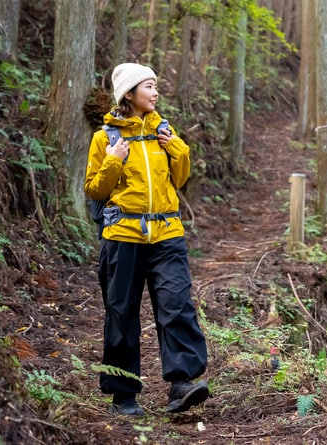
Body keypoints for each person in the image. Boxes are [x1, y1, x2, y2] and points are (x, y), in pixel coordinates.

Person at [84, 62, 210, 416]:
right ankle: (123, 396)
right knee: (121, 314)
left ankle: (181, 384)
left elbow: (178, 180)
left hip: (167, 233)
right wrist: (112, 161)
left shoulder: (164, 132)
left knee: (176, 305)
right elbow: (94, 189)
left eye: (156, 86)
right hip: (123, 235)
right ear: (129, 93)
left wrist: (178, 151)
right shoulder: (105, 139)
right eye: (149, 86)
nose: (156, 93)